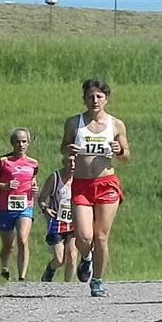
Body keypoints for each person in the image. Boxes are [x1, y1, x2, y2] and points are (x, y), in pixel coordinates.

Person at [60, 78, 130, 297]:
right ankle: (86, 257)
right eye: (90, 96)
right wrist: (68, 152)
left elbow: (126, 156)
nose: (94, 100)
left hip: (106, 184)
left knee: (101, 236)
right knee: (84, 236)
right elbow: (64, 149)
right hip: (81, 184)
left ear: (106, 99)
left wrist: (119, 150)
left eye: (99, 96)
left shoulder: (116, 124)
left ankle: (97, 280)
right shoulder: (74, 123)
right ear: (84, 99)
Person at [0, 128, 39, 281]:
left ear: (28, 143)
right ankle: (4, 268)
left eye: (24, 141)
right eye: (17, 142)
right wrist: (4, 186)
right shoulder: (3, 162)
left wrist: (34, 187)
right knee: (9, 245)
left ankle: (22, 277)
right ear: (12, 143)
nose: (20, 145)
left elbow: (32, 179)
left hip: (25, 206)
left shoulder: (33, 163)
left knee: (22, 239)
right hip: (4, 208)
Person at [37, 155, 78, 282]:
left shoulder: (80, 179)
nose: (72, 165)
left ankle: (67, 287)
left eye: (75, 162)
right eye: (69, 162)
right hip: (57, 223)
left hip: (74, 222)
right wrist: (45, 209)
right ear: (63, 162)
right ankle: (51, 268)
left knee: (72, 256)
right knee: (59, 260)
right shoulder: (55, 178)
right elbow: (41, 199)